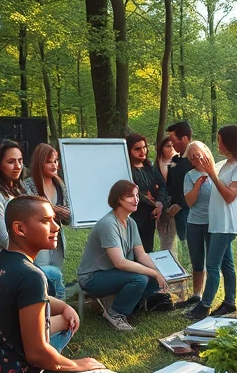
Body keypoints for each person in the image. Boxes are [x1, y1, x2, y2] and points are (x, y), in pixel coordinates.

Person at [0, 196, 130, 373]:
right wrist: (77, 365)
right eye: (46, 221)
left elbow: (27, 300)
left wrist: (64, 307)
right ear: (20, 228)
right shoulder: (31, 276)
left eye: (54, 219)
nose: (56, 227)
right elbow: (36, 354)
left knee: (66, 324)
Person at [0, 139, 65, 298]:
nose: (18, 166)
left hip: (24, 257)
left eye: (20, 161)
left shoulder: (19, 187)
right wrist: (35, 239)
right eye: (11, 162)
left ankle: (56, 308)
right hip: (6, 261)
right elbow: (4, 239)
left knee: (53, 276)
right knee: (53, 275)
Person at [77, 180, 169, 331]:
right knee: (140, 279)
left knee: (153, 278)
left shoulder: (131, 223)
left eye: (136, 195)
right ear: (118, 199)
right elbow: (119, 262)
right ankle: (115, 313)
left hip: (114, 273)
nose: (136, 199)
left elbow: (141, 255)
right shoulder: (108, 224)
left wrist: (159, 272)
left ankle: (130, 305)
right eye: (130, 196)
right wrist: (153, 272)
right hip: (92, 277)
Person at [184, 125, 237, 320]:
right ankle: (230, 302)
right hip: (217, 223)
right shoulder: (225, 164)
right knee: (227, 265)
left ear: (230, 142)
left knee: (212, 265)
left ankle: (204, 306)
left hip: (226, 224)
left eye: (221, 140)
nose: (218, 144)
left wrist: (212, 174)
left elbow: (230, 196)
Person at [22, 143, 71, 275]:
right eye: (49, 162)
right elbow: (31, 210)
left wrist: (65, 213)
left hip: (56, 237)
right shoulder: (28, 184)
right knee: (42, 272)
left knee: (57, 272)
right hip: (38, 236)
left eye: (55, 161)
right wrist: (54, 209)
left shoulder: (59, 184)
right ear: (39, 163)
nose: (54, 165)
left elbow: (68, 215)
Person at [179, 141, 214, 308]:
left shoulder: (217, 172)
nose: (195, 160)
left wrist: (211, 175)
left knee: (212, 261)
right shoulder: (190, 176)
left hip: (214, 222)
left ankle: (209, 294)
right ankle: (196, 295)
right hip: (194, 222)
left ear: (206, 153)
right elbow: (190, 202)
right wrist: (198, 184)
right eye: (191, 158)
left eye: (197, 155)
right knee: (197, 260)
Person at [126, 134, 169, 253]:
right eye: (137, 149)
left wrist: (159, 203)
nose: (142, 151)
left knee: (148, 250)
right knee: (133, 251)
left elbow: (162, 185)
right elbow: (131, 191)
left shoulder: (149, 167)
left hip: (150, 217)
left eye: (144, 147)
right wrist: (153, 204)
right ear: (128, 150)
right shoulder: (126, 170)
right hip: (134, 216)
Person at [166, 121, 195, 246]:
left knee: (191, 244)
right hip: (175, 210)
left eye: (173, 140)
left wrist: (181, 204)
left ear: (184, 138)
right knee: (181, 242)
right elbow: (169, 182)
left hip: (190, 210)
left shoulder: (194, 160)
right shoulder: (174, 160)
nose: (171, 144)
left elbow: (199, 187)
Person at [154, 136, 179, 252]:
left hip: (177, 206)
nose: (171, 148)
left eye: (173, 145)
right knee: (166, 241)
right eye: (168, 146)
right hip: (162, 207)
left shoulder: (178, 164)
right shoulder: (155, 167)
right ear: (161, 149)